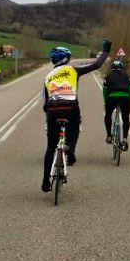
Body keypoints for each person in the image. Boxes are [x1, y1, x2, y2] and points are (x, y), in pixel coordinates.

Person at [41, 39, 111, 192]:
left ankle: (45, 182)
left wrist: (50, 115)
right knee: (75, 126)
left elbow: (45, 104)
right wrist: (106, 50)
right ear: (67, 59)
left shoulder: (48, 77)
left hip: (53, 110)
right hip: (71, 108)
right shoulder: (73, 70)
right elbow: (96, 65)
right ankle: (70, 151)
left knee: (50, 147)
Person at [103, 59, 130, 151]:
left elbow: (105, 91)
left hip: (111, 98)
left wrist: (106, 101)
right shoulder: (127, 77)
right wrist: (128, 97)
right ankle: (124, 138)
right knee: (125, 118)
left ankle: (109, 135)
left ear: (112, 68)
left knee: (107, 115)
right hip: (125, 98)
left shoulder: (107, 77)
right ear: (122, 68)